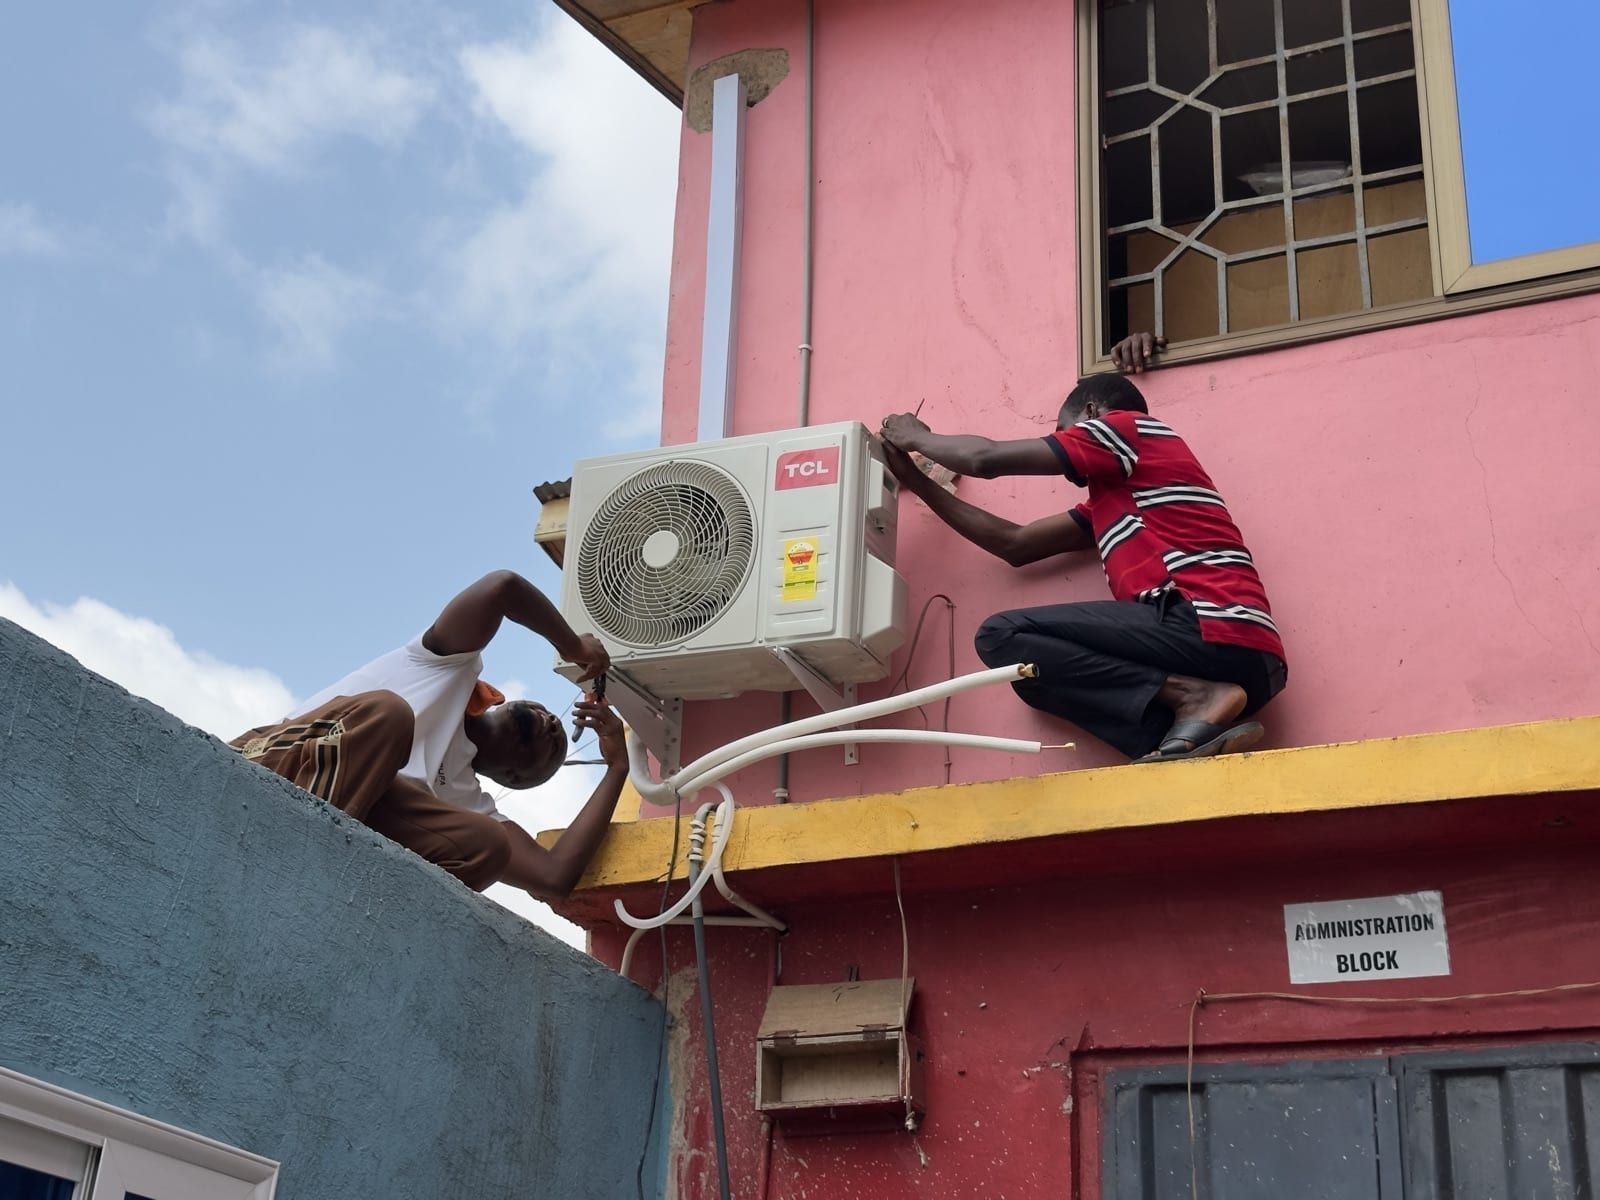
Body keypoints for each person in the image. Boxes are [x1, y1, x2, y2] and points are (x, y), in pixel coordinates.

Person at [879, 335, 1286, 761]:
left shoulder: (1128, 430)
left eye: (1062, 431)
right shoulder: (1116, 501)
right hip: (1250, 670)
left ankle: (1193, 697)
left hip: (1211, 624)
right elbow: (1015, 544)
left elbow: (985, 459)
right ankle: (1182, 732)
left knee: (1002, 635)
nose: (1061, 444)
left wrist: (915, 437)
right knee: (1032, 678)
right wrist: (918, 481)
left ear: (1091, 415)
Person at [229, 571, 627, 895]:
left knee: (486, 844)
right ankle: (303, 855)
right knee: (389, 717)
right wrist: (572, 646)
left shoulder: (467, 801)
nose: (554, 723)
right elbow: (502, 587)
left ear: (514, 779)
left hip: (338, 829)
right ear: (502, 703)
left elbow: (553, 875)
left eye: (554, 746)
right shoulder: (445, 666)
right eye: (550, 716)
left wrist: (617, 769)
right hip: (283, 764)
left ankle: (326, 883)